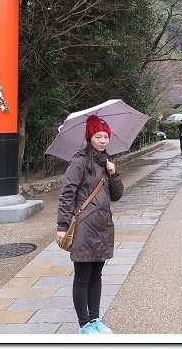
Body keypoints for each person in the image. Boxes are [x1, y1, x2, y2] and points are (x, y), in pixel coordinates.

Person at [56, 115, 124, 334]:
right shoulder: (79, 162)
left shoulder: (107, 162)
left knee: (97, 275)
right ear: (90, 137)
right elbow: (67, 195)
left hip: (103, 226)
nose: (103, 140)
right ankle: (84, 324)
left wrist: (113, 174)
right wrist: (62, 225)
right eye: (98, 136)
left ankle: (95, 319)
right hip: (84, 227)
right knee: (83, 276)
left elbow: (116, 196)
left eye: (105, 136)